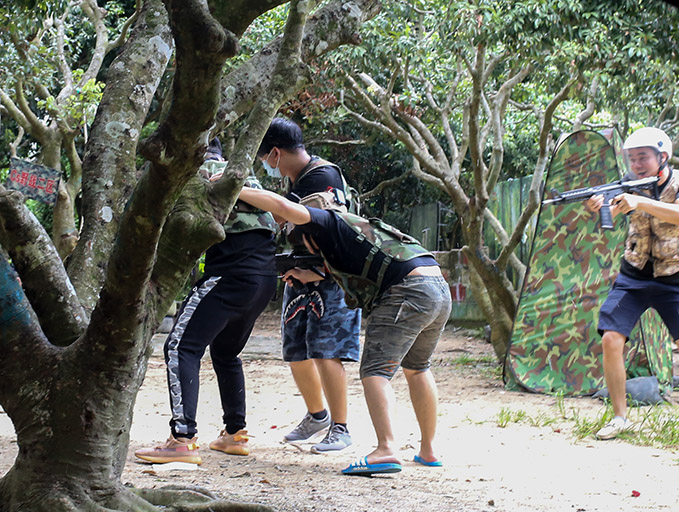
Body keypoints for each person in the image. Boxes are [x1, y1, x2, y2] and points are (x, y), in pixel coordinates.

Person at [238, 173, 451, 476]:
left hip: (406, 292)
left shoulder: (324, 222)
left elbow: (279, 204)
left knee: (375, 372)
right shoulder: (354, 231)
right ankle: (429, 451)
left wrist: (237, 189)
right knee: (418, 368)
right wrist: (304, 274)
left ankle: (386, 450)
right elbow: (346, 270)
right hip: (435, 287)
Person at [135, 139, 278, 464]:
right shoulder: (239, 172)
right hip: (265, 277)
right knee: (226, 352)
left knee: (179, 346)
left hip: (230, 273)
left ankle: (183, 438)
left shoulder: (195, 174)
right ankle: (235, 434)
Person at [586, 127, 679, 440]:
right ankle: (620, 418)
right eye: (632, 158)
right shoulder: (629, 186)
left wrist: (639, 201)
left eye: (642, 157)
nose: (636, 163)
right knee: (610, 339)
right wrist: (598, 205)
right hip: (632, 275)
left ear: (663, 156)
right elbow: (616, 209)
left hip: (673, 279)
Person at [258, 118, 361, 453]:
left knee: (327, 352)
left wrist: (320, 272)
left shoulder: (323, 177)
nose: (266, 167)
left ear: (274, 153)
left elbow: (333, 232)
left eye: (264, 159)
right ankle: (317, 416)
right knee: (297, 350)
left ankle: (340, 428)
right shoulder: (300, 181)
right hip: (300, 276)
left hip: (330, 278)